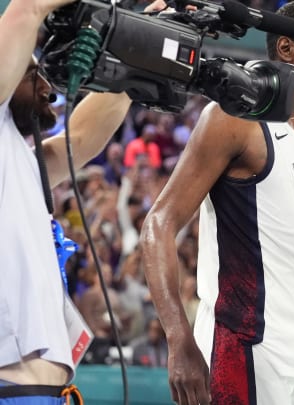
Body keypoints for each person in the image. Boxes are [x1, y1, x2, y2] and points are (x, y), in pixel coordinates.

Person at [140, 2, 294, 405]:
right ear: (287, 50)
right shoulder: (233, 119)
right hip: (247, 346)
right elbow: (159, 224)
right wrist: (179, 338)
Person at [0, 0, 146, 401]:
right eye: (35, 73)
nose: (49, 88)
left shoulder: (20, 162)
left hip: (45, 392)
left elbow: (81, 140)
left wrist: (136, 52)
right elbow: (27, 9)